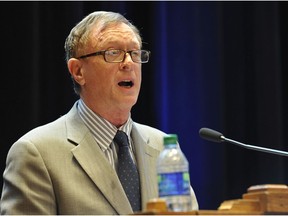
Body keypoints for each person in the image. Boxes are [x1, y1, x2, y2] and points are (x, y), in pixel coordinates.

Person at [0, 11, 198, 214]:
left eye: (135, 53)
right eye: (113, 53)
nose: (128, 63)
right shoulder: (36, 153)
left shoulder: (163, 147)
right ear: (78, 71)